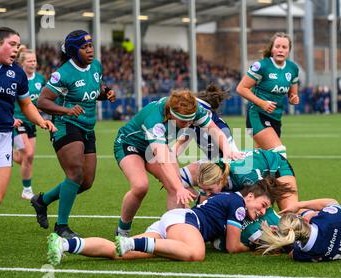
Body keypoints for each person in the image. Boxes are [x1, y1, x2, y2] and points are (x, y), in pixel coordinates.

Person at [46, 177, 281, 265]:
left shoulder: (232, 201)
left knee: (118, 253)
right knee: (196, 253)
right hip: (185, 222)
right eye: (262, 206)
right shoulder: (238, 205)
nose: (262, 212)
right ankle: (132, 243)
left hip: (175, 224)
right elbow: (232, 246)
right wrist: (257, 245)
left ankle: (66, 245)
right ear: (250, 196)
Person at [113, 90, 241, 237]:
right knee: (141, 186)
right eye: (183, 122)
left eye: (190, 121)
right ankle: (123, 230)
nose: (187, 125)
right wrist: (179, 187)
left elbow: (216, 131)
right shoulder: (155, 120)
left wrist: (227, 153)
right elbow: (163, 160)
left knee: (174, 188)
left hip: (156, 148)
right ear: (171, 114)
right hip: (130, 145)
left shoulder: (194, 109)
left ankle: (175, 234)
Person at [0, 27, 56, 257]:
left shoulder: (17, 74)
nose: (16, 49)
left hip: (3, 138)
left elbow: (26, 105)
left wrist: (42, 122)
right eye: (12, 44)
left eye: (18, 45)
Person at [31, 30, 116, 239]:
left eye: (91, 46)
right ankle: (62, 227)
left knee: (86, 182)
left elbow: (95, 91)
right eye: (84, 47)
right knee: (75, 174)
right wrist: (66, 110)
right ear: (73, 51)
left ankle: (42, 201)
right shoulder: (63, 73)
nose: (90, 50)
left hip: (87, 127)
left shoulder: (96, 66)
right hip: (65, 124)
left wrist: (106, 94)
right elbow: (42, 102)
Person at [236, 32, 300, 158]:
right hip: (257, 116)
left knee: (263, 158)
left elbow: (292, 94)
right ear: (271, 49)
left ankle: (235, 164)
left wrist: (294, 99)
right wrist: (262, 103)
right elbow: (241, 88)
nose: (280, 50)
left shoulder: (293, 68)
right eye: (277, 46)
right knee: (279, 152)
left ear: (289, 50)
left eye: (284, 47)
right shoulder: (262, 66)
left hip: (276, 118)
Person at [179, 148, 298, 211]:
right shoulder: (210, 173)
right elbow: (203, 206)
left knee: (290, 212)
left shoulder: (244, 176)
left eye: (209, 189)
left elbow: (264, 198)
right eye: (203, 190)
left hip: (277, 166)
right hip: (250, 173)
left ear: (221, 180)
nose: (207, 193)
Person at [256, 198, 341, 262]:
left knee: (311, 213)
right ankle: (304, 212)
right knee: (307, 211)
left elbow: (292, 253)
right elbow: (333, 202)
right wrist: (299, 205)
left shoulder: (303, 252)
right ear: (305, 220)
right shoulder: (325, 220)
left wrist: (281, 236)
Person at [12, 49, 46, 200]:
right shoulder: (16, 78)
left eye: (34, 60)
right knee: (29, 153)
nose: (33, 63)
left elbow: (44, 99)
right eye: (29, 61)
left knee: (25, 158)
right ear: (21, 63)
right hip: (17, 121)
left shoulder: (40, 79)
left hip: (31, 122)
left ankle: (3, 153)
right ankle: (26, 190)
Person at [174, 83, 239, 161]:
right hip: (212, 161)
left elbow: (230, 155)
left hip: (224, 162)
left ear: (207, 113)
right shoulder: (193, 126)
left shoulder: (221, 128)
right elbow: (178, 147)